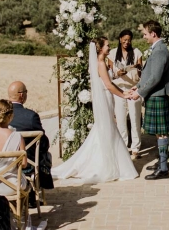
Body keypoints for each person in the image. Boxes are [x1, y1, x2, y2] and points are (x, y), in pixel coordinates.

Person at [51, 37, 138, 184]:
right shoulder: (100, 64)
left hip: (106, 97)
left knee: (106, 129)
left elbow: (109, 82)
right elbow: (109, 85)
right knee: (106, 129)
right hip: (105, 98)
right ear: (100, 49)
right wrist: (123, 94)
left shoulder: (101, 63)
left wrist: (122, 89)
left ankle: (110, 162)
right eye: (107, 46)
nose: (109, 48)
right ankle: (105, 165)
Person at [129, 20, 169, 180]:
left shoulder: (160, 50)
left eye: (145, 33)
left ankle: (163, 168)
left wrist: (140, 93)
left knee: (161, 133)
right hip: (155, 95)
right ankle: (162, 164)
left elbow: (155, 77)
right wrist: (138, 86)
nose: (144, 36)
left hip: (158, 95)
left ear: (153, 34)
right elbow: (150, 73)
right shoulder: (157, 49)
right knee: (158, 133)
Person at [8, 80, 54, 205]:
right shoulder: (30, 116)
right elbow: (43, 143)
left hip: (4, 164)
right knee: (45, 156)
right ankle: (35, 191)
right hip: (27, 164)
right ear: (22, 95)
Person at [108, 29, 144, 158]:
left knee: (135, 118)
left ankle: (136, 148)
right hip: (119, 89)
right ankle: (123, 145)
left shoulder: (136, 52)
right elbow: (110, 73)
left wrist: (137, 68)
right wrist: (118, 73)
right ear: (120, 39)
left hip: (133, 87)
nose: (127, 42)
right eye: (125, 40)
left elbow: (141, 72)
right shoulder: (112, 53)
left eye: (129, 40)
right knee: (121, 118)